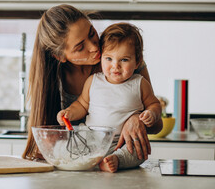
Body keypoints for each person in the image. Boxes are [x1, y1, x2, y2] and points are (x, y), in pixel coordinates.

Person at [22, 4, 162, 161]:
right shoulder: (54, 80)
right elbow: (50, 142)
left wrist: (136, 118)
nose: (95, 47)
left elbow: (157, 125)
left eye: (92, 33)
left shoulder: (122, 58)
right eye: (80, 47)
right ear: (60, 56)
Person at [57, 22, 162, 172]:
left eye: (124, 60)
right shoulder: (93, 81)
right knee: (64, 147)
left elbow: (154, 104)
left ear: (137, 61)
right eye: (109, 59)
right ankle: (88, 158)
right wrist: (69, 112)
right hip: (91, 137)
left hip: (122, 141)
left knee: (137, 152)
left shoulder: (139, 83)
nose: (115, 66)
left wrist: (151, 113)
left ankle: (116, 160)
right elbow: (81, 105)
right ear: (101, 58)